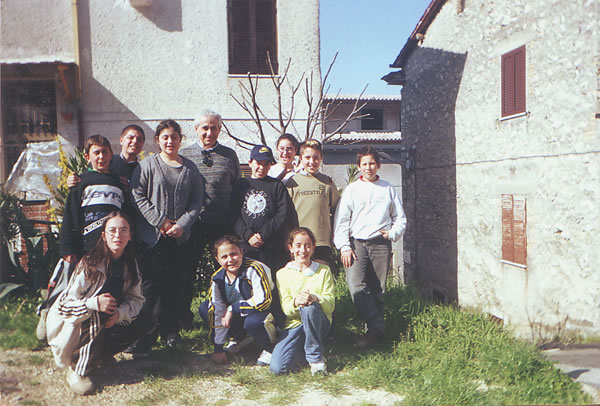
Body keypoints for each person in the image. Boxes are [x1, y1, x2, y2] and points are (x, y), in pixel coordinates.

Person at [46, 211, 144, 395]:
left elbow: (136, 299)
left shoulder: (131, 264)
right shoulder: (89, 263)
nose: (118, 235)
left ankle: (100, 357)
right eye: (112, 230)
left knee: (147, 317)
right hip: (75, 324)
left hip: (109, 319)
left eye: (123, 230)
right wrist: (93, 303)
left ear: (130, 235)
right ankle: (78, 370)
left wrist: (120, 314)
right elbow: (63, 306)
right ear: (103, 235)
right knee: (99, 312)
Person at [130, 119, 204, 352]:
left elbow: (196, 201)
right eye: (165, 137)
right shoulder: (147, 165)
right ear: (157, 141)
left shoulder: (190, 168)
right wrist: (160, 221)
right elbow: (137, 195)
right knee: (151, 289)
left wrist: (182, 224)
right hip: (152, 239)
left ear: (180, 140)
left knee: (175, 287)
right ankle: (146, 335)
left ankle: (171, 332)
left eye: (174, 137)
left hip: (179, 238)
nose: (170, 141)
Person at [333, 146, 406, 348]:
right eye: (364, 164)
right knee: (356, 286)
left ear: (378, 165)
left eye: (372, 163)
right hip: (357, 244)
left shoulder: (388, 188)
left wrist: (392, 234)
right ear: (359, 167)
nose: (368, 167)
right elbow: (341, 221)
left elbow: (400, 217)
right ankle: (378, 326)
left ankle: (373, 336)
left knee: (377, 290)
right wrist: (344, 247)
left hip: (381, 244)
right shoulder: (352, 190)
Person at [179, 109, 240, 329]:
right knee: (186, 271)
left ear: (220, 129)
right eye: (205, 127)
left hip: (221, 224)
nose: (209, 132)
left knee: (225, 272)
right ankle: (183, 320)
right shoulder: (185, 155)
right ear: (196, 129)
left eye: (214, 127)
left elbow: (236, 187)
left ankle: (224, 317)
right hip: (193, 223)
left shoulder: (229, 155)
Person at [198, 235, 277, 366]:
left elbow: (264, 301)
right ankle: (240, 337)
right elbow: (216, 309)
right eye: (224, 257)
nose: (230, 260)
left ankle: (270, 347)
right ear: (217, 260)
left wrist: (234, 308)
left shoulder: (255, 268)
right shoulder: (217, 278)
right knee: (205, 308)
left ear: (241, 251)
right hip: (240, 315)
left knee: (253, 322)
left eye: (233, 254)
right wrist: (218, 348)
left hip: (265, 313)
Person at [270, 227, 335, 376]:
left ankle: (315, 359)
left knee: (309, 307)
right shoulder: (282, 274)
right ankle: (303, 351)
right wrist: (296, 302)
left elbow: (330, 305)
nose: (303, 250)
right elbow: (286, 308)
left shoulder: (324, 271)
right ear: (290, 248)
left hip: (319, 321)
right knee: (277, 368)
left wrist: (315, 298)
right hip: (295, 325)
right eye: (298, 245)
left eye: (307, 245)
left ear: (313, 248)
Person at [59, 135, 129, 264]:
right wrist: (67, 248)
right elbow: (70, 215)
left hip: (113, 246)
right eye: (96, 153)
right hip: (87, 246)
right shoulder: (79, 183)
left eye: (104, 152)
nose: (101, 157)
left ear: (111, 155)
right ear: (87, 157)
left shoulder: (119, 184)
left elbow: (126, 215)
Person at [232, 145, 291, 271]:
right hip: (245, 246)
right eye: (258, 163)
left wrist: (263, 234)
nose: (261, 168)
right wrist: (248, 235)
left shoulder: (276, 186)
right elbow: (233, 214)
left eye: (266, 164)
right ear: (250, 163)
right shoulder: (241, 185)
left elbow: (282, 213)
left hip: (270, 246)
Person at [287, 139, 340, 267]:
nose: (312, 162)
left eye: (316, 158)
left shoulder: (327, 182)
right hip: (299, 242)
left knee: (320, 278)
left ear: (321, 158)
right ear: (301, 158)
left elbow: (337, 210)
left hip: (321, 241)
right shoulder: (292, 182)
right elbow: (286, 214)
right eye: (307, 157)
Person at [67, 124, 146, 188]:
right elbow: (89, 177)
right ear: (121, 140)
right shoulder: (106, 160)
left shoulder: (143, 169)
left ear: (142, 144)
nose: (135, 141)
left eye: (139, 140)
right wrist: (73, 181)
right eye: (131, 138)